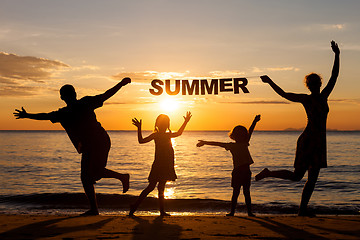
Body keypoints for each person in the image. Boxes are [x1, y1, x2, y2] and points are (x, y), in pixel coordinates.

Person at [13, 77, 132, 216]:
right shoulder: (71, 109)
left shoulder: (79, 106)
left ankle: (121, 179)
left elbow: (45, 116)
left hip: (99, 141)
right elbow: (106, 94)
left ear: (62, 97)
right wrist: (121, 84)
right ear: (73, 94)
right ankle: (95, 208)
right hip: (91, 144)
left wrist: (27, 115)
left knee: (95, 173)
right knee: (86, 177)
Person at [255, 41, 340, 216]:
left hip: (317, 140)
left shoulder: (324, 95)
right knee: (299, 176)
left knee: (308, 178)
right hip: (309, 139)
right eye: (313, 83)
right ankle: (270, 175)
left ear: (318, 84)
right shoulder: (308, 99)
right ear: (311, 85)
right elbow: (285, 94)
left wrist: (337, 55)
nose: (316, 85)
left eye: (316, 82)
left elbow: (334, 75)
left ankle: (301, 209)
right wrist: (270, 81)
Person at [129, 111, 192, 216]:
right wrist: (139, 128)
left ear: (167, 125)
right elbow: (141, 141)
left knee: (160, 187)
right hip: (159, 164)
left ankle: (161, 211)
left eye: (165, 124)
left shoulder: (167, 135)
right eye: (161, 123)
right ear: (157, 125)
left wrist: (185, 122)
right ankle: (135, 206)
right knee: (151, 187)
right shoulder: (156, 135)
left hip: (166, 164)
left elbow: (179, 133)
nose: (163, 125)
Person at [197, 115, 261, 217]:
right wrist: (205, 142)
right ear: (234, 136)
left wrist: (254, 121)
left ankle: (249, 212)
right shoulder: (232, 146)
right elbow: (218, 144)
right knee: (236, 193)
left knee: (246, 192)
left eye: (242, 134)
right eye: (238, 134)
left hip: (246, 171)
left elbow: (251, 130)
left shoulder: (245, 142)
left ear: (244, 135)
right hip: (237, 171)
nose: (240, 136)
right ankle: (232, 212)